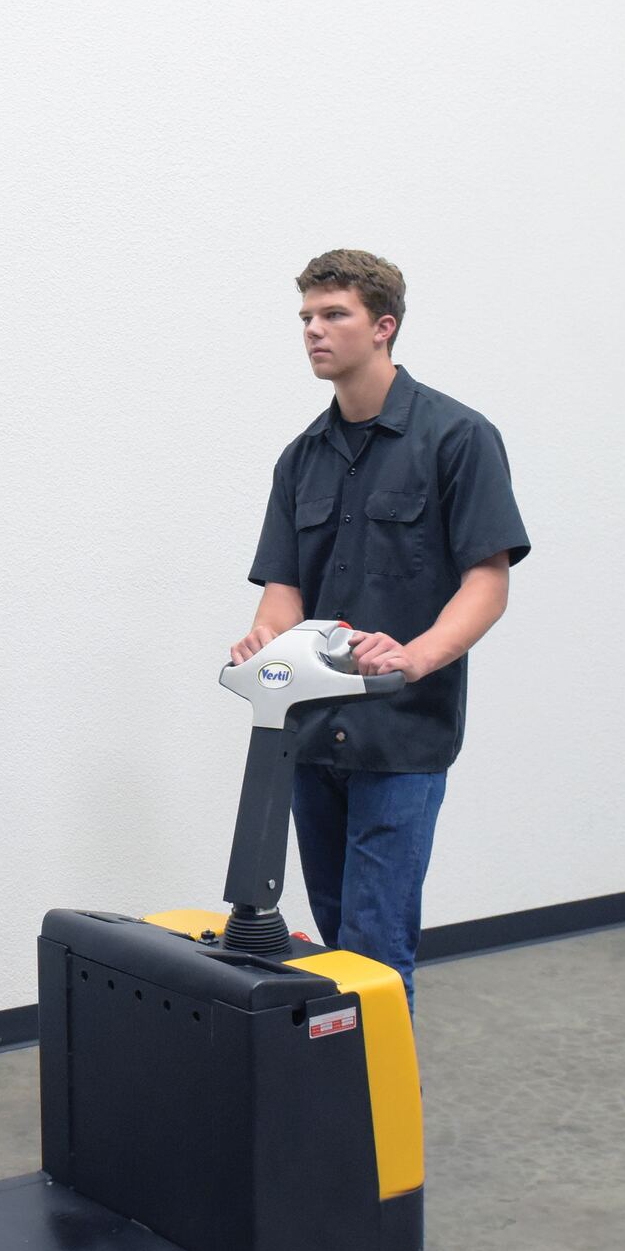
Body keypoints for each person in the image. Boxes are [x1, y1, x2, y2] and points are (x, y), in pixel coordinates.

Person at [232, 250, 530, 1015]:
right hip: (308, 736)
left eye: (334, 314)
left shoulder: (458, 438)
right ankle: (345, 1090)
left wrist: (415, 657)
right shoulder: (300, 459)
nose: (313, 330)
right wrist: (263, 639)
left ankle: (381, 1097)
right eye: (307, 316)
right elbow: (283, 593)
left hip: (400, 735)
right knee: (335, 948)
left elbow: (487, 582)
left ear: (383, 326)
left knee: (375, 950)